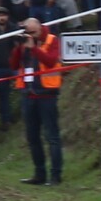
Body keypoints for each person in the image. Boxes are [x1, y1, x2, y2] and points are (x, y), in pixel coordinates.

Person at [13, 16, 65, 185]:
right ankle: (39, 174)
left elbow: (50, 62)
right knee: (32, 137)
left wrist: (34, 48)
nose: (31, 35)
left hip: (47, 95)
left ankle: (56, 175)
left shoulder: (52, 40)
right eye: (28, 32)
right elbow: (13, 65)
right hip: (28, 95)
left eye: (33, 32)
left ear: (40, 28)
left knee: (52, 137)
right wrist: (18, 47)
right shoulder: (25, 44)